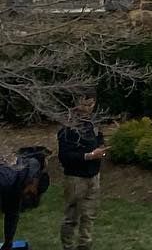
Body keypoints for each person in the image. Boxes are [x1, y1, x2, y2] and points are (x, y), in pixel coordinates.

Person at [56, 90, 106, 250]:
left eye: (91, 104)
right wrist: (89, 156)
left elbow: (100, 139)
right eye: (84, 104)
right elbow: (64, 156)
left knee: (89, 215)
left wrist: (101, 150)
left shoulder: (94, 122)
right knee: (71, 217)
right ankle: (68, 246)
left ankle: (85, 246)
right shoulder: (68, 125)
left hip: (94, 176)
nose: (87, 108)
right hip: (75, 178)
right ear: (77, 103)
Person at [0, 145, 49, 250]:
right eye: (35, 193)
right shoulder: (8, 180)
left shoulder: (19, 184)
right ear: (34, 183)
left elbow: (12, 214)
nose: (31, 195)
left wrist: (8, 242)